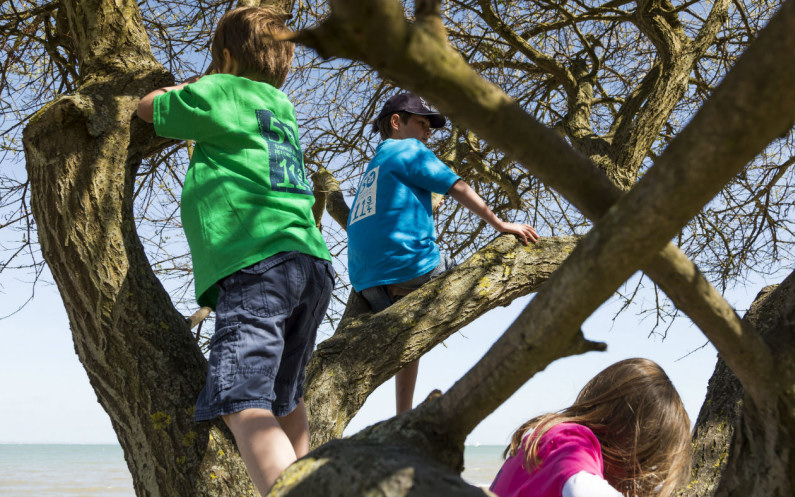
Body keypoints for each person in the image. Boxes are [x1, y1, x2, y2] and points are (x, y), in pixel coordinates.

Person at [136, 6, 334, 495]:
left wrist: (189, 85)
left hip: (257, 264)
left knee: (243, 402)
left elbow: (151, 107)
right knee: (285, 400)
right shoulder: (279, 107)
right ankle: (318, 481)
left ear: (224, 58)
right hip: (309, 262)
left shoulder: (221, 89)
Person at [347, 92, 539, 414]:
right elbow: (457, 186)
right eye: (422, 123)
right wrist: (498, 222)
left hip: (367, 283)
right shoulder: (409, 150)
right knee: (479, 274)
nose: (428, 133)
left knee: (409, 340)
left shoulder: (374, 167)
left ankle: (402, 413)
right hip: (410, 267)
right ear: (396, 122)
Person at [489, 358, 692, 497]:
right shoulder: (570, 440)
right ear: (628, 439)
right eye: (645, 460)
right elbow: (579, 484)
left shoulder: (546, 441)